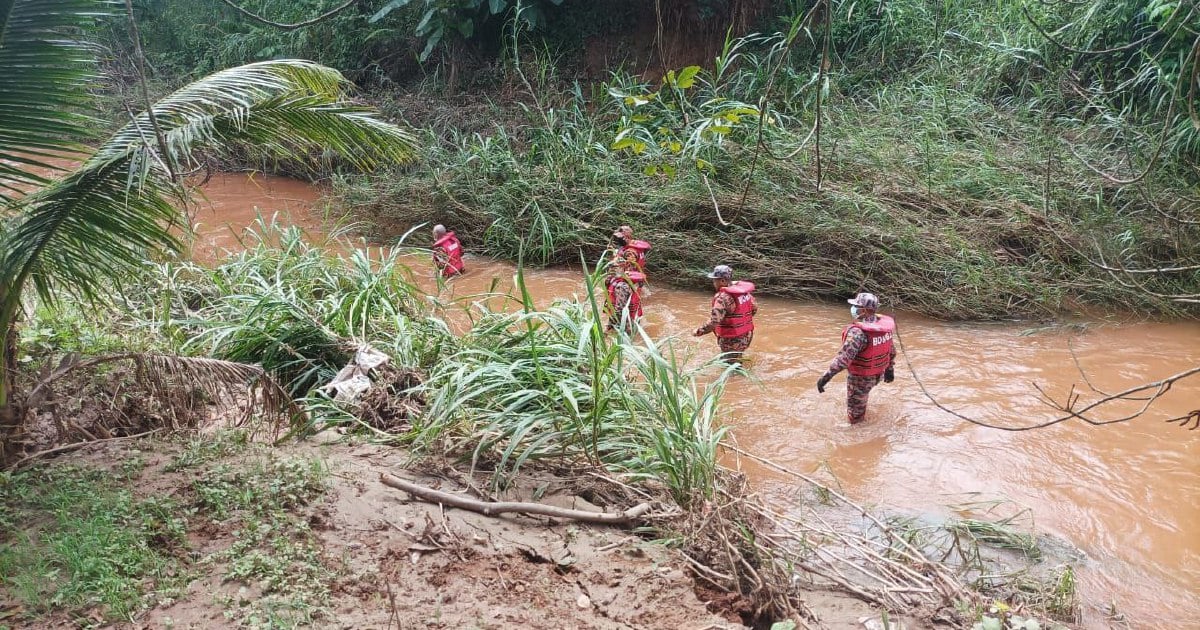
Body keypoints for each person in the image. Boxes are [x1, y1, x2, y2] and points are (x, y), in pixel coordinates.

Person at [816, 292, 896, 425]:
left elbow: (843, 360)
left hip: (860, 380)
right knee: (862, 398)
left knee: (855, 419)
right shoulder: (884, 328)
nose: (853, 309)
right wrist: (890, 369)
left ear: (863, 310)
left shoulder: (859, 333)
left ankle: (862, 437)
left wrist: (825, 378)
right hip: (878, 374)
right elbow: (891, 351)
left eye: (856, 306)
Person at [693, 265, 757, 362]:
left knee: (730, 368)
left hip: (732, 340)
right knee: (737, 359)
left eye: (715, 280)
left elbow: (714, 321)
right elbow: (754, 309)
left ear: (722, 281)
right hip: (746, 336)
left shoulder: (723, 298)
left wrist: (700, 331)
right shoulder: (744, 293)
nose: (713, 283)